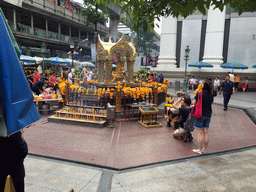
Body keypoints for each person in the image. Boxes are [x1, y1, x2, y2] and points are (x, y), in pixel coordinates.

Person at [192, 80, 214, 154]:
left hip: (200, 114)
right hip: (208, 114)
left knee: (200, 132)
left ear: (204, 86)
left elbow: (194, 103)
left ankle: (199, 149)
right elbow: (210, 103)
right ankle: (204, 149)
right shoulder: (211, 94)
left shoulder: (199, 93)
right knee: (206, 132)